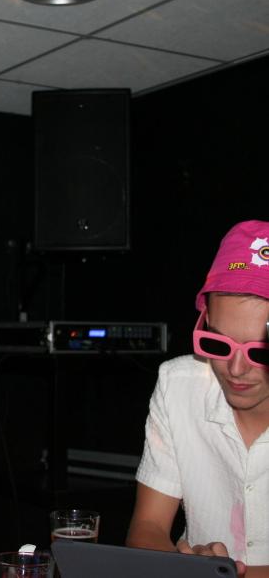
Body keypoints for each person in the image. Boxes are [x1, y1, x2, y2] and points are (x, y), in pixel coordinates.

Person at [126, 220, 269, 577]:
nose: (236, 369)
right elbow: (147, 527)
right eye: (218, 344)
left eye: (260, 351)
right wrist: (191, 569)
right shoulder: (179, 385)